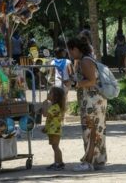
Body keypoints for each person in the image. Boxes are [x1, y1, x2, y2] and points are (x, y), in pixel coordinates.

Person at [68, 37, 107, 172]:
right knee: (95, 129)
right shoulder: (86, 59)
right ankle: (96, 160)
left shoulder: (85, 61)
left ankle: (88, 161)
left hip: (92, 100)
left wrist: (75, 83)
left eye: (71, 51)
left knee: (91, 130)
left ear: (76, 49)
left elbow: (91, 81)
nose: (70, 54)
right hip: (94, 99)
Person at [42, 86, 66, 171]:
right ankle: (58, 162)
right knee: (54, 146)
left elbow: (45, 114)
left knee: (56, 147)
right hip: (52, 130)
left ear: (55, 96)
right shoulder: (53, 106)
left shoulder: (55, 107)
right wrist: (46, 128)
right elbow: (50, 119)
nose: (48, 94)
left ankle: (58, 163)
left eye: (50, 93)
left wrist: (45, 102)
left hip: (55, 130)